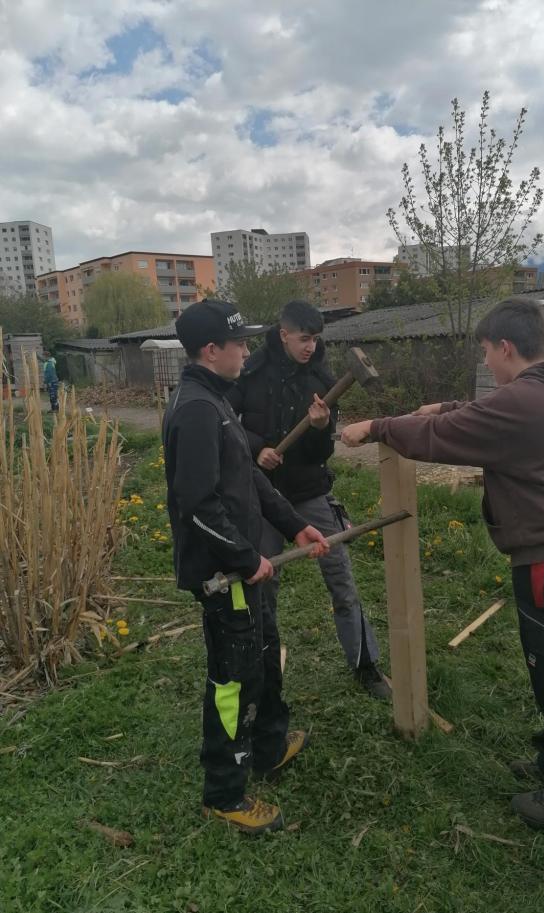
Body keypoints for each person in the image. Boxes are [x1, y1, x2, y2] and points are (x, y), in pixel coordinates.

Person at [341, 296, 544, 830]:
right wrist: (442, 408)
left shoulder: (525, 402)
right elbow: (482, 418)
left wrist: (376, 427)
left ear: (506, 347)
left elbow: (447, 437)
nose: (486, 362)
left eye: (487, 352)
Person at [162, 298, 329, 836]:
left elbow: (251, 481)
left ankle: (267, 747)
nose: (247, 350)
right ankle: (225, 792)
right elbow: (198, 506)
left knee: (262, 653)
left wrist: (292, 523)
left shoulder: (218, 401)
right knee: (232, 680)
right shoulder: (193, 409)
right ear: (212, 351)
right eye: (239, 343)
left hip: (244, 562)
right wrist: (245, 556)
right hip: (223, 574)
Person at [228, 299, 391, 700]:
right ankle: (263, 667)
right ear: (284, 334)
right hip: (264, 495)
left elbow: (322, 454)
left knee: (342, 579)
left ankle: (365, 664)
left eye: (316, 339)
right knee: (264, 584)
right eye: (304, 338)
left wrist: (320, 429)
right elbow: (226, 422)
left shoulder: (321, 375)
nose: (310, 346)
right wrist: (255, 448)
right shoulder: (249, 371)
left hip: (308, 491)